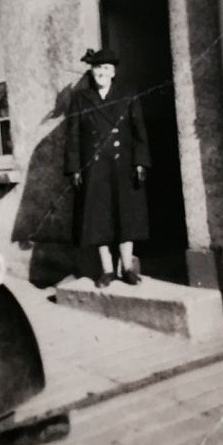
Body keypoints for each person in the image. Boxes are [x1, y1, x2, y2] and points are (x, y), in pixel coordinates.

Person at [64, 48, 151, 288]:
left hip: (123, 165)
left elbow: (138, 130)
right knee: (98, 217)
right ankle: (107, 270)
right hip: (95, 167)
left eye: (105, 69)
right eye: (96, 68)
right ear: (91, 72)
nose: (101, 73)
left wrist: (141, 162)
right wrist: (74, 169)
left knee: (126, 215)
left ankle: (127, 268)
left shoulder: (127, 94)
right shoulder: (80, 99)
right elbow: (72, 136)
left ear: (113, 72)